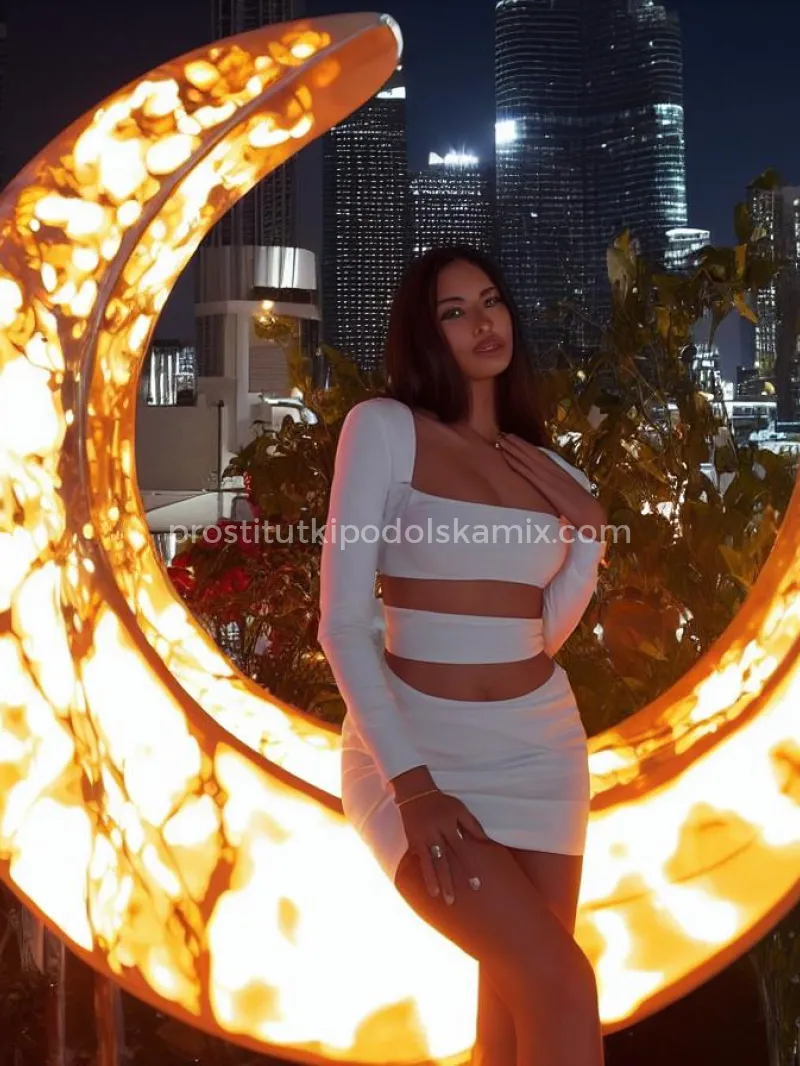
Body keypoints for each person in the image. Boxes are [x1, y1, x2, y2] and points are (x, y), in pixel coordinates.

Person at [317, 245, 607, 1066]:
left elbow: (538, 635)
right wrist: (412, 786)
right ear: (426, 334)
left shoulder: (549, 469)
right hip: (416, 754)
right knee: (561, 986)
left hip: (541, 754)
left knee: (514, 1022)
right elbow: (341, 624)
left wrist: (589, 533)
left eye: (491, 302)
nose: (482, 322)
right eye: (454, 311)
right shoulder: (384, 430)